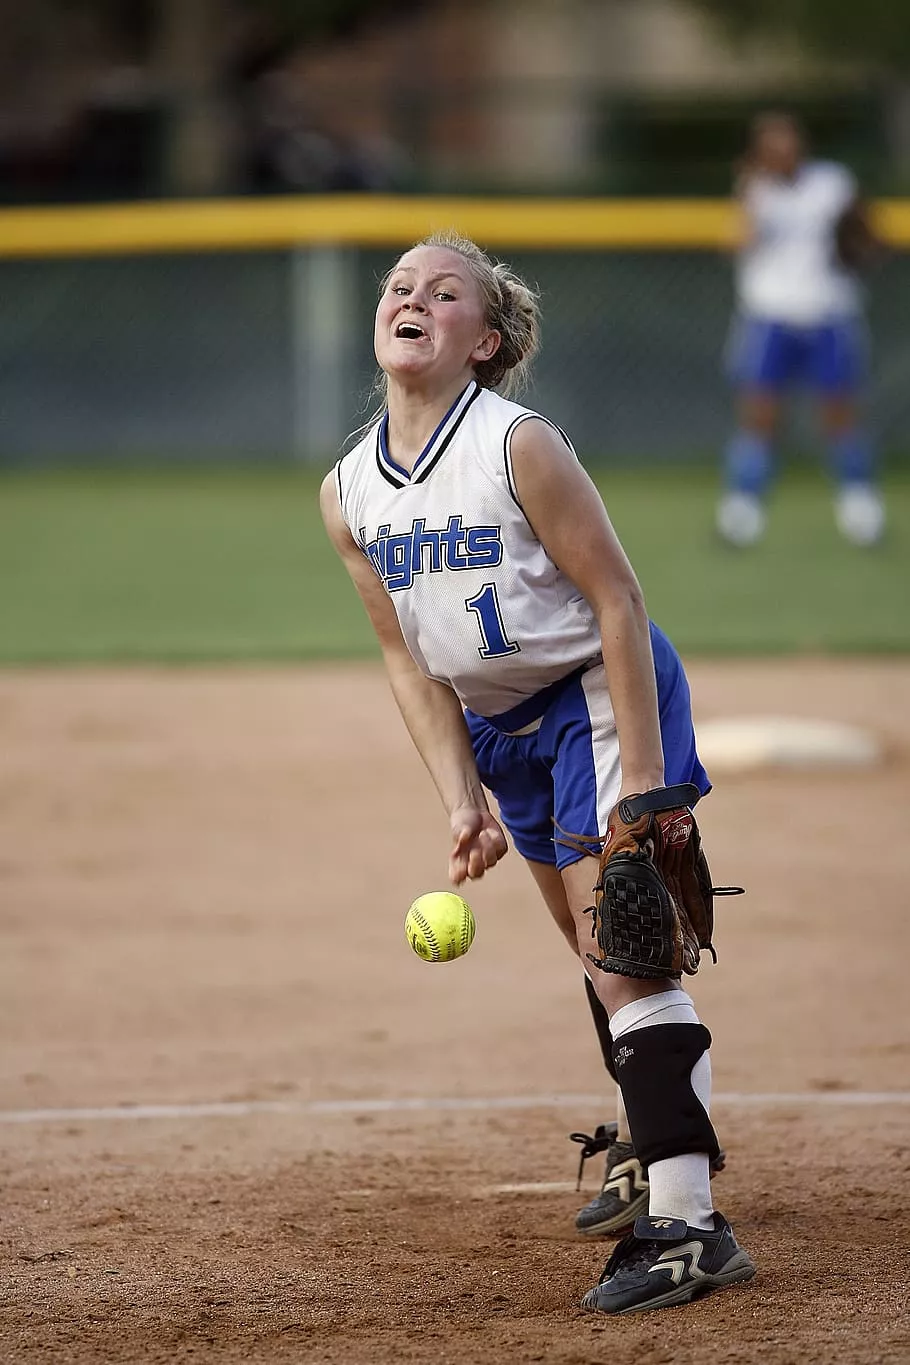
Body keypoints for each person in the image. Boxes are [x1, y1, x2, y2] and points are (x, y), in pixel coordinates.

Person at [321, 231, 755, 1315]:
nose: (413, 296)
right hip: (501, 725)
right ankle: (659, 1144)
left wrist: (647, 787)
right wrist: (458, 795)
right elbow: (402, 653)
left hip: (596, 695)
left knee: (625, 945)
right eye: (400, 285)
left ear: (486, 339)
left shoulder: (518, 446)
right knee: (594, 943)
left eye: (445, 289)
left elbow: (618, 599)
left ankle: (690, 1223)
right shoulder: (347, 494)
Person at [718, 111, 885, 548]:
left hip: (828, 313)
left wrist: (857, 246)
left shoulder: (832, 184)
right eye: (771, 146)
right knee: (759, 415)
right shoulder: (756, 192)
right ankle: (742, 514)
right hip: (771, 315)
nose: (782, 152)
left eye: (787, 142)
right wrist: (749, 197)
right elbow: (737, 242)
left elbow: (866, 236)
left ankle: (860, 512)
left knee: (839, 413)